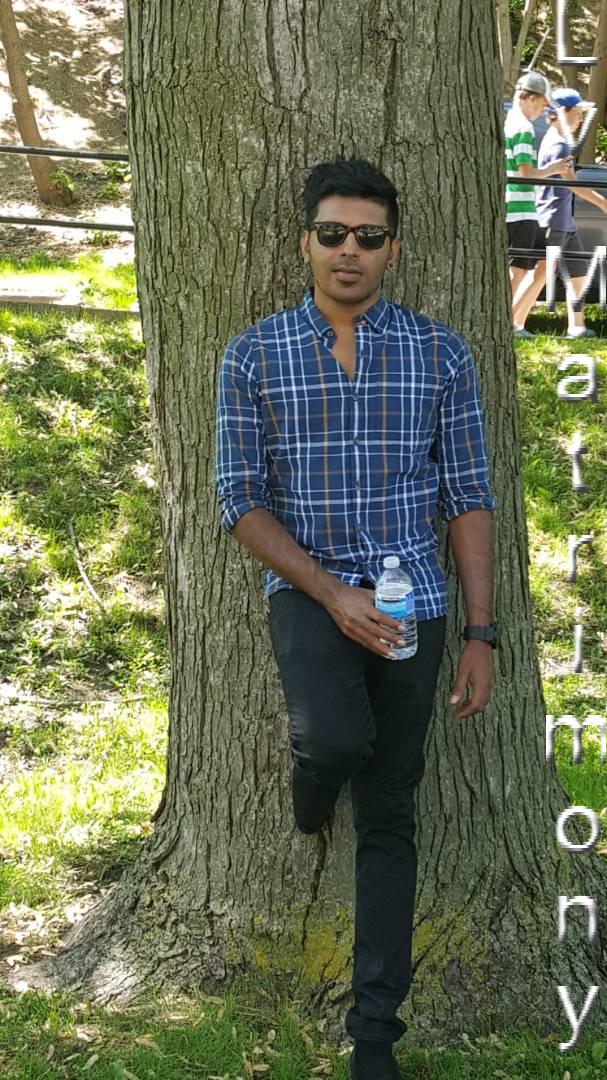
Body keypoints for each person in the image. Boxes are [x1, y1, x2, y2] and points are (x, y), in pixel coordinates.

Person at [215, 159, 496, 1080]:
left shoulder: (439, 352)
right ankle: (313, 782)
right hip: (308, 592)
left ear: (392, 250)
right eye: (332, 233)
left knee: (389, 810)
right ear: (305, 241)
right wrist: (332, 594)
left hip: (415, 600)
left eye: (367, 237)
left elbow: (467, 495)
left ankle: (373, 1034)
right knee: (333, 742)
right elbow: (239, 499)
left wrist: (480, 634)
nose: (349, 250)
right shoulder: (254, 354)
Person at [534, 88, 607, 338]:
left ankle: (577, 327)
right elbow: (572, 183)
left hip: (565, 220)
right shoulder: (558, 145)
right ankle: (514, 321)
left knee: (578, 271)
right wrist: (603, 203)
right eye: (576, 113)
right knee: (541, 274)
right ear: (562, 114)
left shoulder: (556, 140)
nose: (579, 119)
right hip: (554, 219)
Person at [505, 71, 573, 336]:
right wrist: (553, 169)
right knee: (518, 270)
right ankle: (506, 323)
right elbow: (526, 173)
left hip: (514, 207)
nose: (543, 110)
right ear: (529, 98)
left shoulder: (509, 123)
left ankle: (512, 322)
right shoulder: (523, 128)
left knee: (532, 265)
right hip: (521, 209)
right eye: (543, 104)